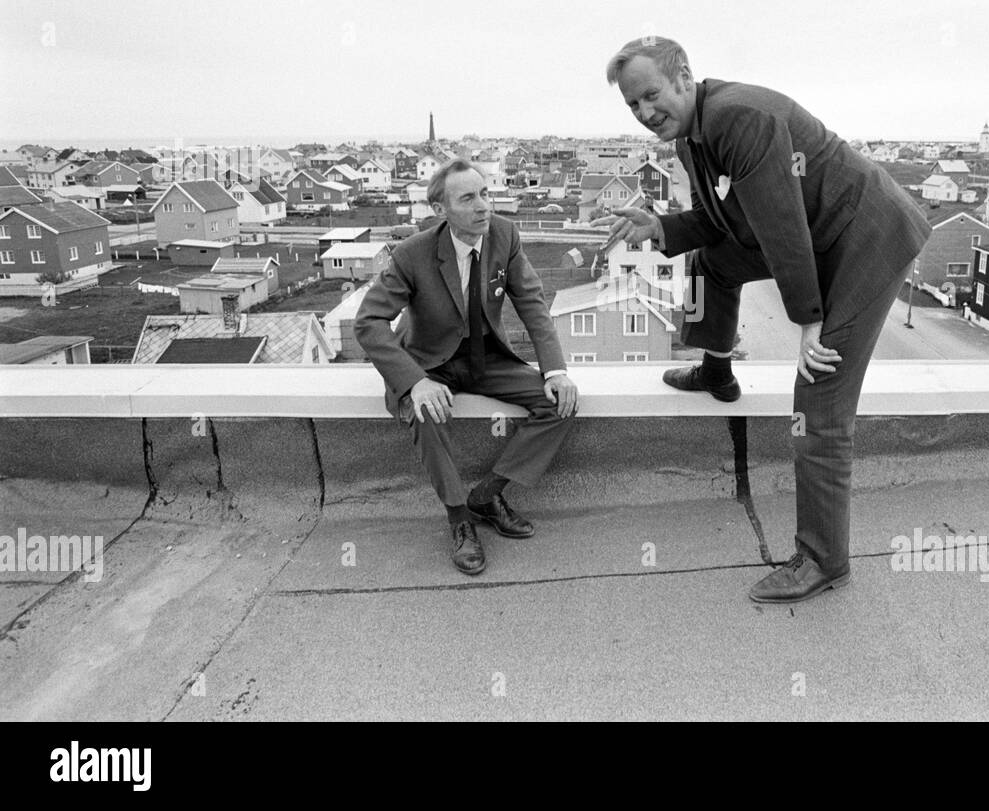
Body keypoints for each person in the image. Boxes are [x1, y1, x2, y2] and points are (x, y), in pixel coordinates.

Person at [595, 37, 932, 604]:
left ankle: (824, 560)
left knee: (819, 395)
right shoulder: (691, 138)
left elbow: (782, 228)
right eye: (633, 105)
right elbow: (716, 220)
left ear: (683, 77)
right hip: (818, 235)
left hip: (864, 237)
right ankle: (715, 369)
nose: (645, 112)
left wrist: (809, 321)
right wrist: (660, 227)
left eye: (651, 95)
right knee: (711, 264)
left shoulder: (737, 118)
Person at [355, 159, 578, 575]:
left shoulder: (505, 236)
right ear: (440, 209)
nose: (484, 206)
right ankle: (459, 520)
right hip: (430, 362)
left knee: (561, 404)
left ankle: (487, 495)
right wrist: (414, 382)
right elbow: (368, 323)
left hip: (486, 356)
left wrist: (555, 371)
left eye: (486, 194)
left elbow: (531, 302)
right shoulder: (412, 254)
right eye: (468, 198)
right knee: (426, 412)